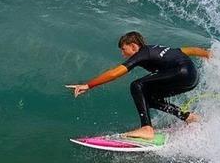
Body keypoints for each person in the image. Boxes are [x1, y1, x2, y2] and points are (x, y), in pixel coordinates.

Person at [65, 31, 211, 139]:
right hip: (191, 77)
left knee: (137, 85)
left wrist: (88, 85)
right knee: (148, 97)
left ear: (134, 46)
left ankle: (147, 129)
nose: (123, 54)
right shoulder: (156, 48)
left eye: (124, 49)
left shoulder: (142, 53)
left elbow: (114, 73)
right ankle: (188, 117)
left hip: (180, 73)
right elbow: (188, 50)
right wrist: (207, 54)